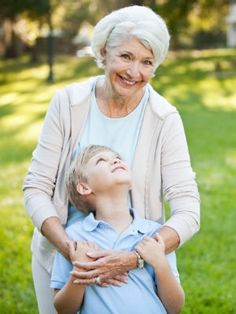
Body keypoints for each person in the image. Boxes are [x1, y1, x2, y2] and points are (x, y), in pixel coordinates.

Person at [23, 5, 200, 314]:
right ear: (104, 52)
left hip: (138, 268)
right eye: (126, 57)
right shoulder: (67, 103)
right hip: (65, 262)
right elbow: (36, 188)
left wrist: (135, 258)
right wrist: (72, 252)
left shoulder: (164, 118)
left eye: (147, 62)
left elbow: (188, 209)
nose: (134, 72)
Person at [51, 144, 185, 314]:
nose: (114, 160)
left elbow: (175, 307)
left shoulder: (154, 234)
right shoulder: (74, 238)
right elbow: (63, 309)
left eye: (117, 158)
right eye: (101, 160)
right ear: (84, 187)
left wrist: (160, 264)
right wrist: (80, 272)